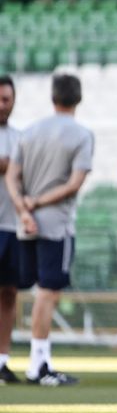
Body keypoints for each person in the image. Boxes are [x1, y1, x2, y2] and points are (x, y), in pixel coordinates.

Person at [3, 73, 93, 386]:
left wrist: (24, 208)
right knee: (48, 292)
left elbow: (12, 177)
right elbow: (74, 184)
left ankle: (33, 361)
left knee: (22, 291)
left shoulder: (29, 133)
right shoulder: (81, 135)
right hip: (56, 225)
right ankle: (38, 365)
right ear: (78, 98)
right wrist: (38, 204)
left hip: (25, 223)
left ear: (53, 97)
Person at [0, 74, 21, 384]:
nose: (3, 105)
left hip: (12, 225)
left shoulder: (20, 138)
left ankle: (2, 359)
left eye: (6, 99)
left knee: (8, 292)